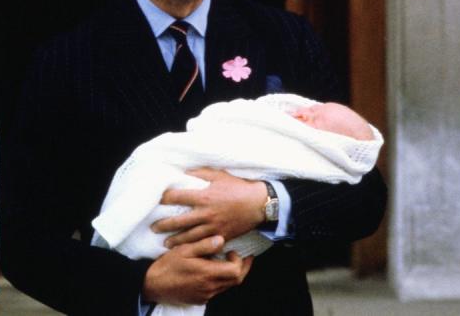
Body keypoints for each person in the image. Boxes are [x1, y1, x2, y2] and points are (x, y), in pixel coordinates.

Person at [0, 0, 386, 315]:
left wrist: (264, 204)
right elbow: (22, 241)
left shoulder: (283, 39)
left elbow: (365, 197)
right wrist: (145, 283)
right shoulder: (70, 62)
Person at [91, 93, 384, 316]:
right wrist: (144, 282)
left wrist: (267, 202)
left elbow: (364, 191)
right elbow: (45, 240)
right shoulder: (68, 55)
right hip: (123, 288)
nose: (304, 112)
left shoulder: (291, 36)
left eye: (315, 114)